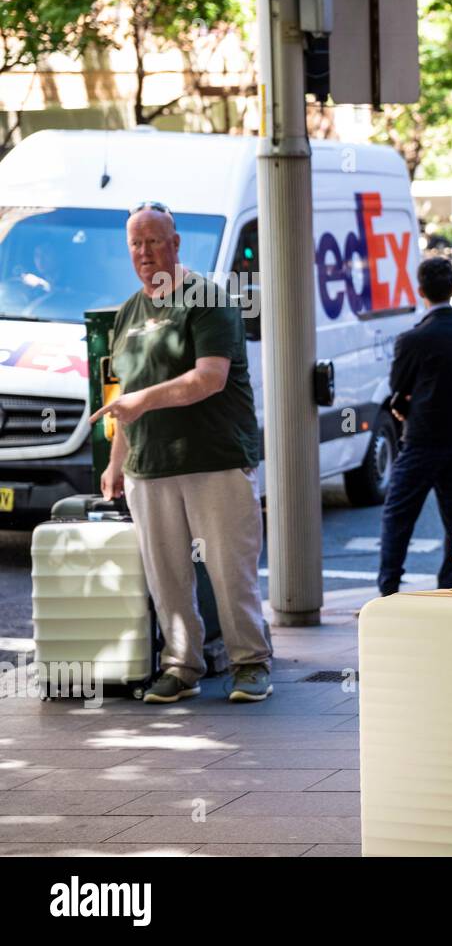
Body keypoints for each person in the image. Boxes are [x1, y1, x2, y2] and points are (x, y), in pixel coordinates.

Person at [91, 201, 271, 704]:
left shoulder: (207, 298)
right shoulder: (128, 312)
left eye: (153, 241)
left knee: (229, 569)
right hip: (148, 465)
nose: (144, 252)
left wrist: (140, 399)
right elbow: (125, 392)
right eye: (135, 243)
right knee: (166, 574)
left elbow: (209, 378)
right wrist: (116, 462)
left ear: (175, 243)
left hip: (214, 458)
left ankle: (250, 664)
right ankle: (181, 665)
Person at [378, 257, 452, 595]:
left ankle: (389, 587)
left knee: (398, 515)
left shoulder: (413, 339)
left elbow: (398, 384)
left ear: (420, 290)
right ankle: (449, 586)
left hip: (422, 437)